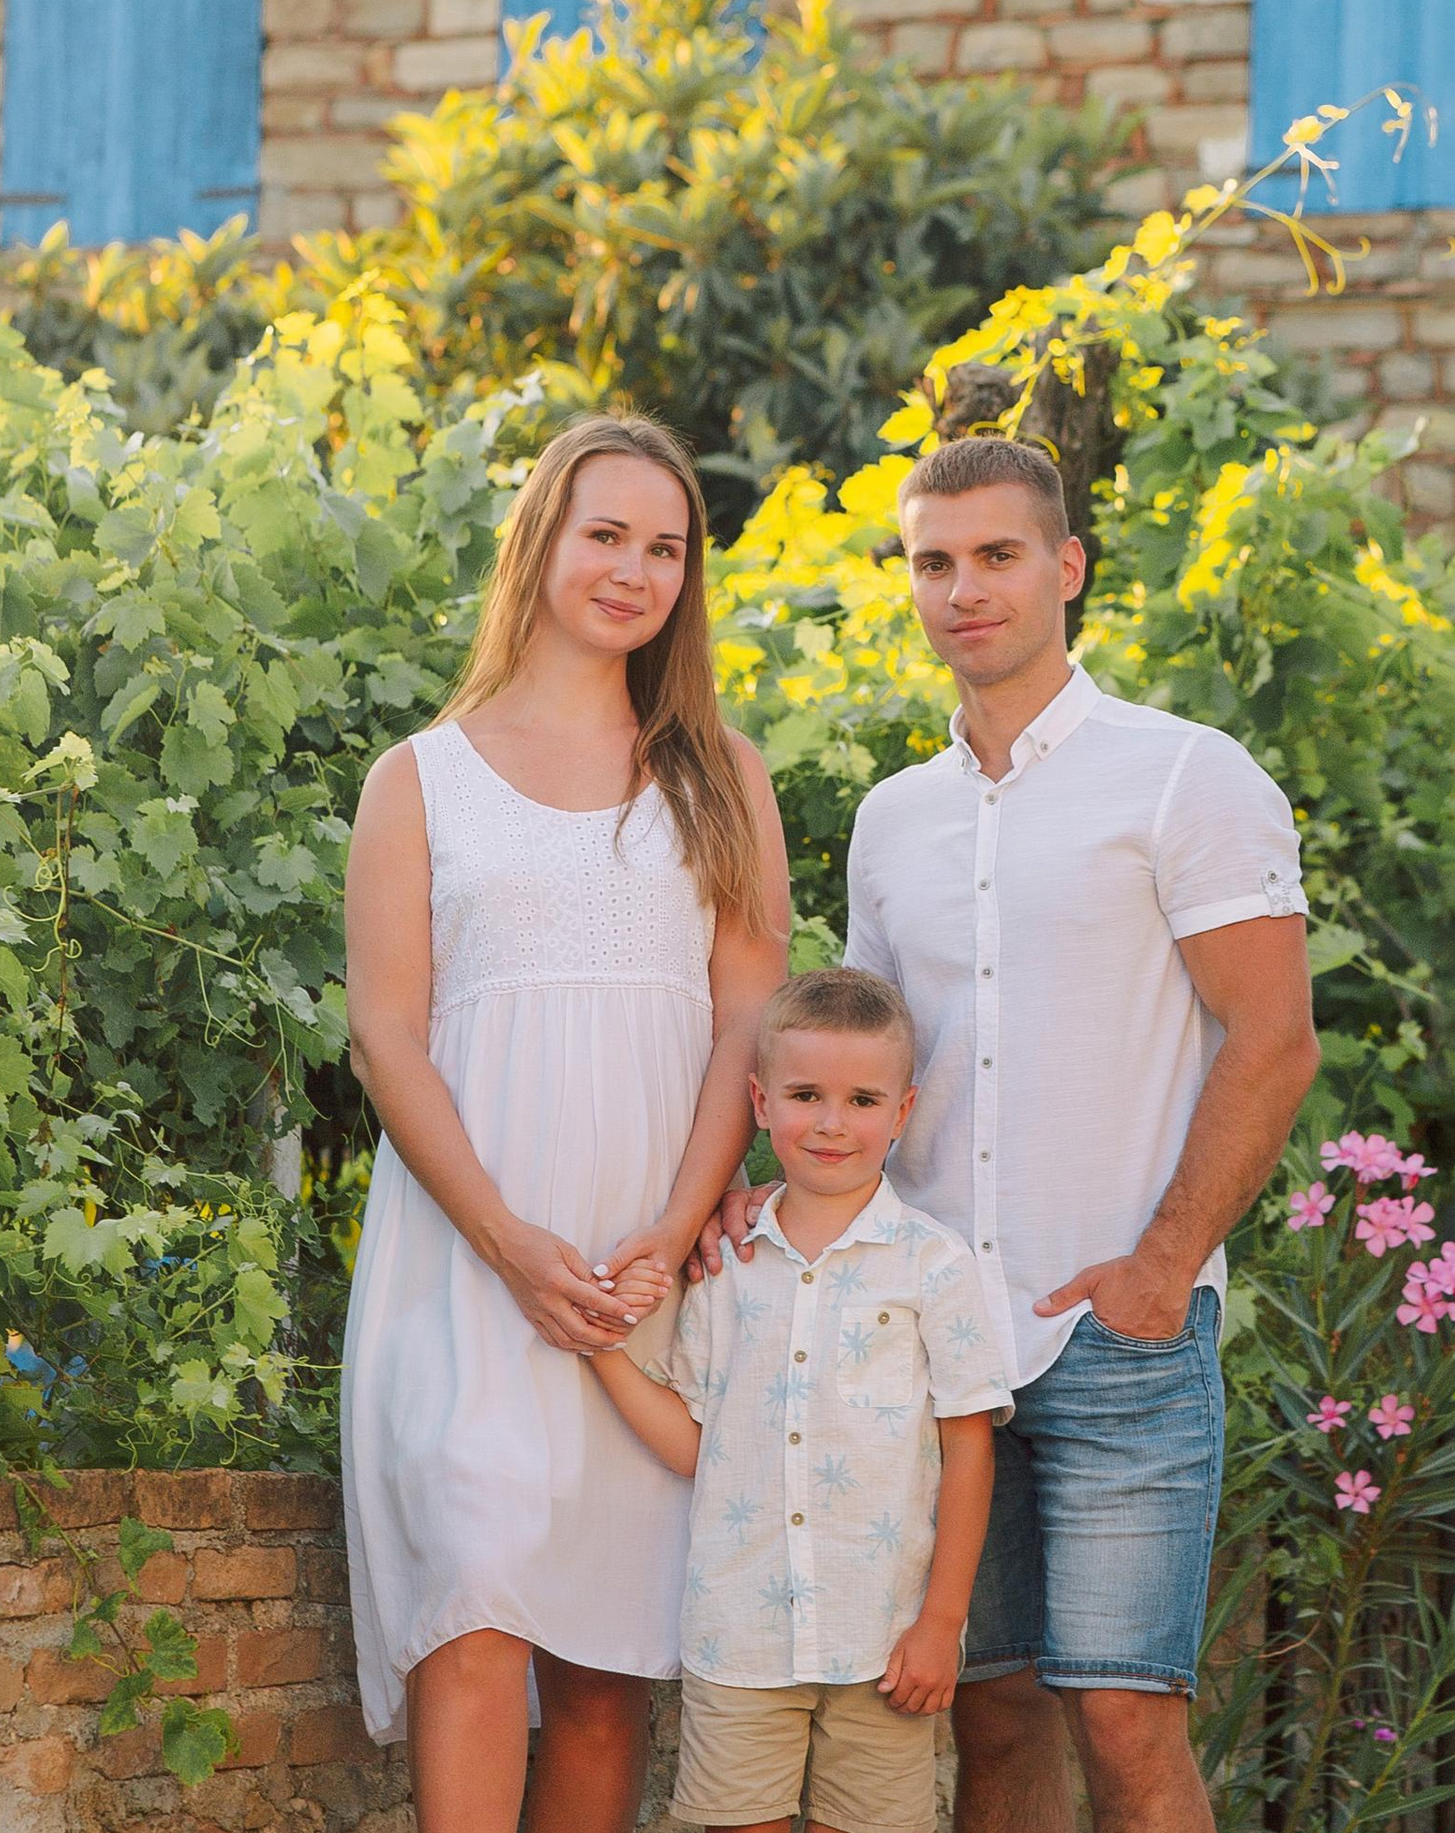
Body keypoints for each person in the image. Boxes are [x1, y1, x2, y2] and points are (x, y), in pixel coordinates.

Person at [710, 433, 1319, 1833]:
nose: (964, 588)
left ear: (1067, 568)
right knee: (985, 1719)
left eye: (996, 556)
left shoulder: (1184, 777)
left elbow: (1275, 1041)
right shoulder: (892, 820)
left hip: (1120, 1340)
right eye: (935, 562)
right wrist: (767, 1192)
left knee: (1126, 1725)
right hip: (931, 1351)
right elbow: (863, 1067)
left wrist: (1162, 1267)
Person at [340, 412, 791, 1833]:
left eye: (666, 548)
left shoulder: (722, 772)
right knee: (473, 1608)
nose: (635, 570)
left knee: (606, 1671)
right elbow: (385, 1036)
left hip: (645, 1276)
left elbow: (748, 1026)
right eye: (607, 535)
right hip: (469, 1270)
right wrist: (511, 1244)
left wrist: (666, 1233)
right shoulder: (420, 778)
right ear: (540, 540)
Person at [591, 966, 1012, 1833]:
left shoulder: (935, 1266)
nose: (830, 1123)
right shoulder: (725, 1265)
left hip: (885, 1640)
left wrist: (941, 1624)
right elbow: (698, 1446)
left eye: (862, 1100)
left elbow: (970, 1450)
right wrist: (602, 1356)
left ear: (902, 1113)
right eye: (805, 1094)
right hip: (741, 1636)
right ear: (760, 1100)